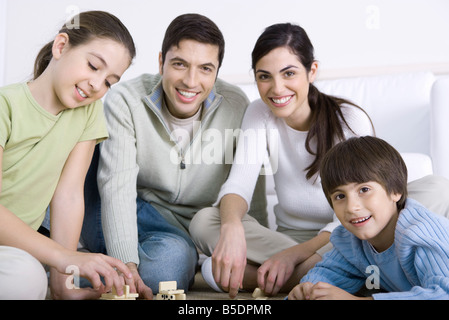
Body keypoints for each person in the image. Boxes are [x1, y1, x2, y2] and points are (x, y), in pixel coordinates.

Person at [189, 22, 449, 299]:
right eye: (264, 76)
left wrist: (294, 257)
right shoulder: (259, 113)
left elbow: (368, 200)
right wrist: (232, 230)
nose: (277, 89)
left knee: (436, 188)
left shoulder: (349, 118)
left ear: (311, 71)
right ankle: (346, 275)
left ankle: (283, 275)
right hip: (291, 238)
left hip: (351, 232)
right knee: (205, 221)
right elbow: (238, 185)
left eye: (289, 73)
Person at [81, 13, 267, 296]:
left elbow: (250, 181)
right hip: (129, 204)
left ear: (217, 71)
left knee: (165, 273)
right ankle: (70, 258)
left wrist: (254, 248)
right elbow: (116, 186)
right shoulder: (126, 99)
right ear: (161, 62)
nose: (191, 81)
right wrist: (126, 264)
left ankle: (84, 265)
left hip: (181, 231)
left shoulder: (236, 104)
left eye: (205, 68)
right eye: (180, 64)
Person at [0, 11, 137, 299]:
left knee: (27, 276)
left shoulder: (89, 112)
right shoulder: (5, 106)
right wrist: (63, 257)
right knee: (26, 278)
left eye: (110, 81)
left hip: (13, 252)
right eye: (93, 66)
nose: (98, 85)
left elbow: (69, 195)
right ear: (61, 46)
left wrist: (64, 282)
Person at [288, 136, 449, 300]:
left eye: (364, 190)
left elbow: (444, 293)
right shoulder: (349, 240)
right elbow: (329, 272)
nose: (352, 207)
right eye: (340, 196)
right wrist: (308, 290)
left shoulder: (421, 233)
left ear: (395, 191)